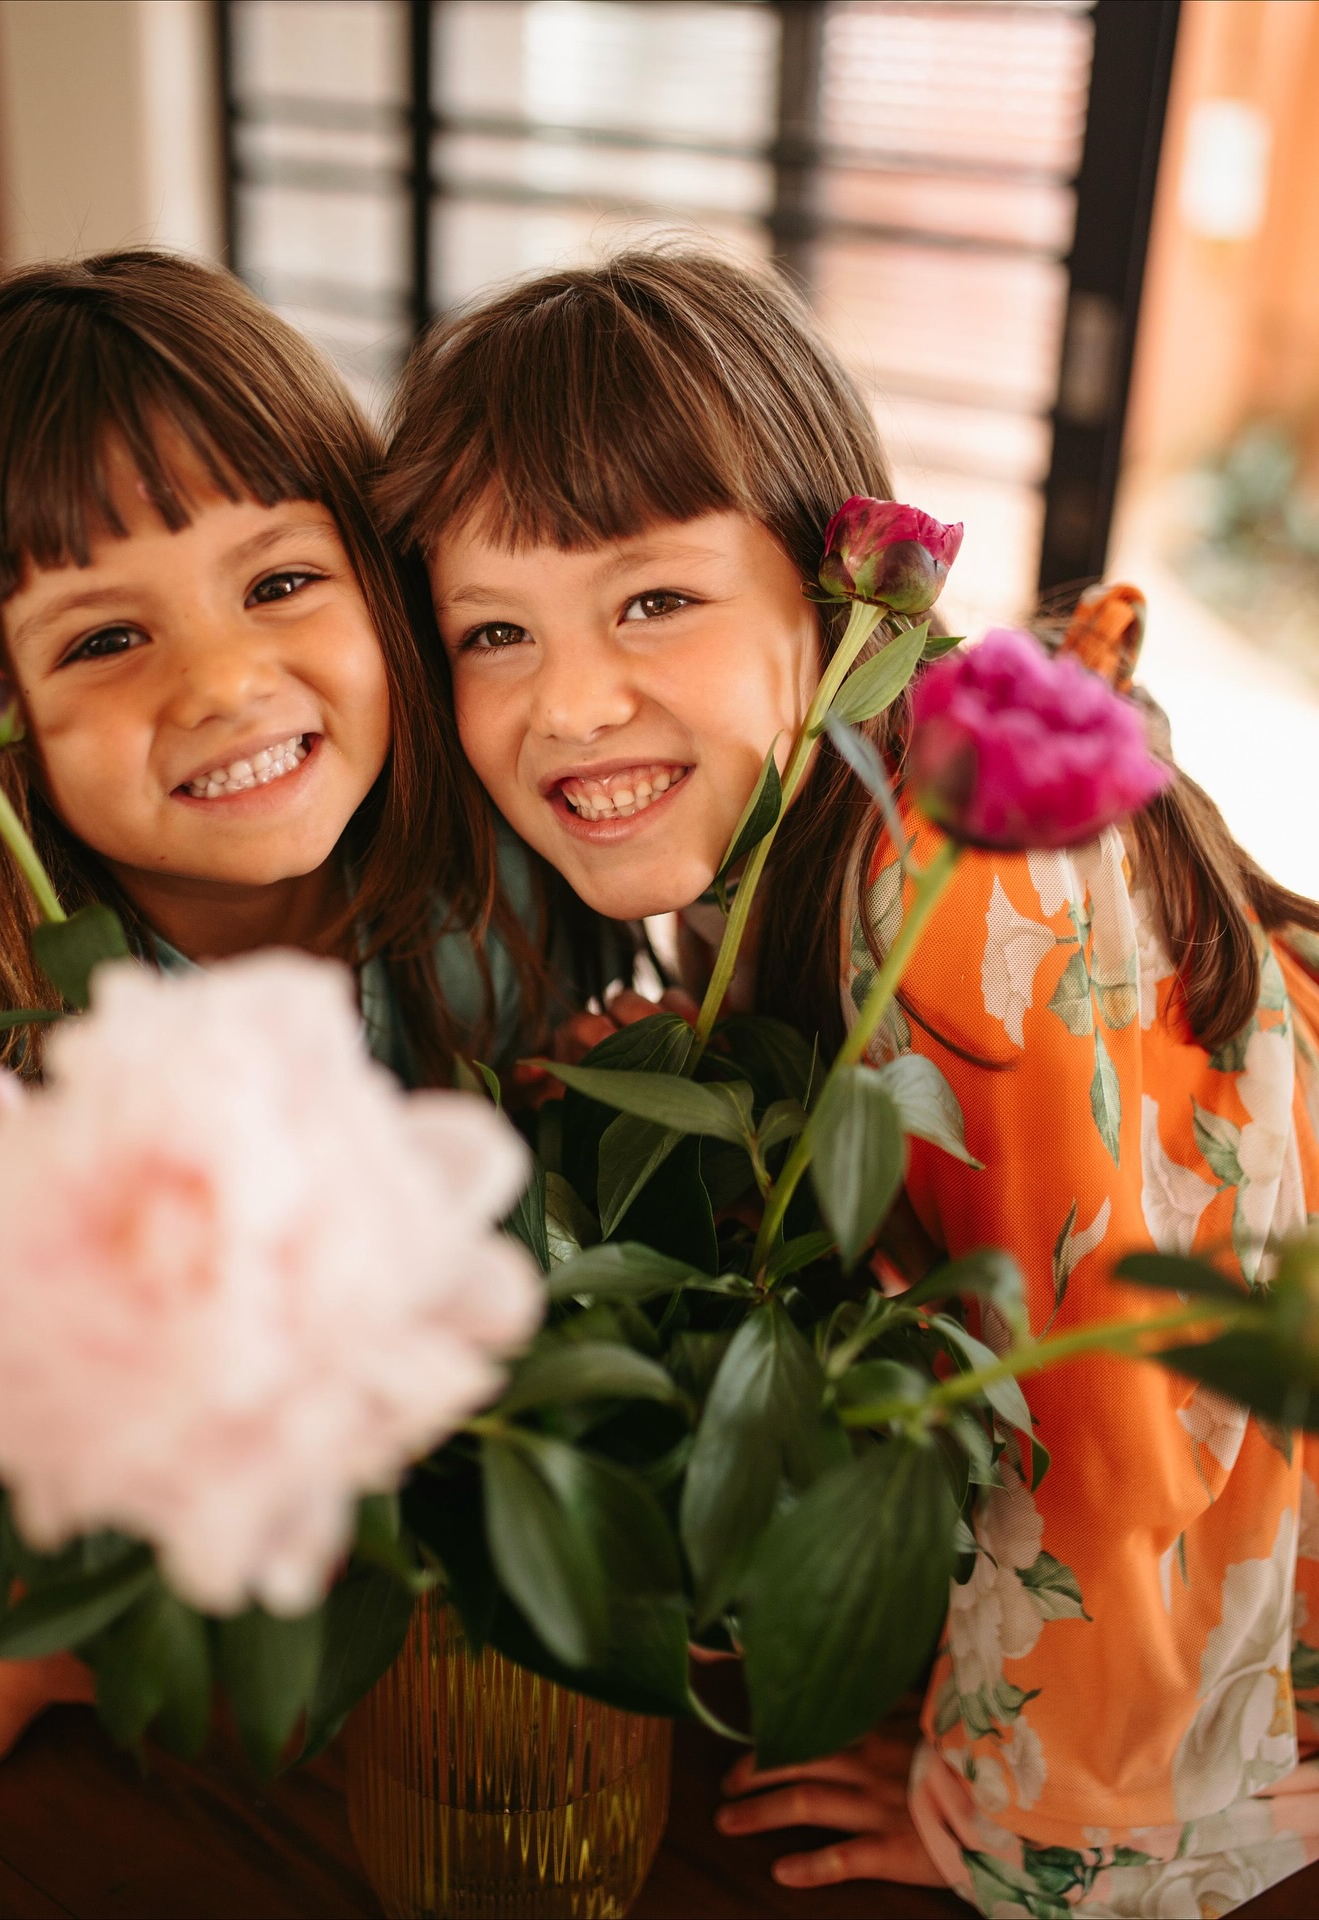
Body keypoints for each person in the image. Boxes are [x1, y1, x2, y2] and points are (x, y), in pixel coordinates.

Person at [379, 244, 1319, 1913]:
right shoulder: (822, 813)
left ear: (829, 586)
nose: (572, 701)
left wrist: (1016, 1810)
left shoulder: (963, 877)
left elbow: (1121, 1424)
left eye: (653, 598)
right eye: (494, 631)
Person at [0, 250, 544, 1846]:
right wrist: (6, 1625)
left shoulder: (493, 873)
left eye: (278, 583)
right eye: (104, 641)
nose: (229, 682)